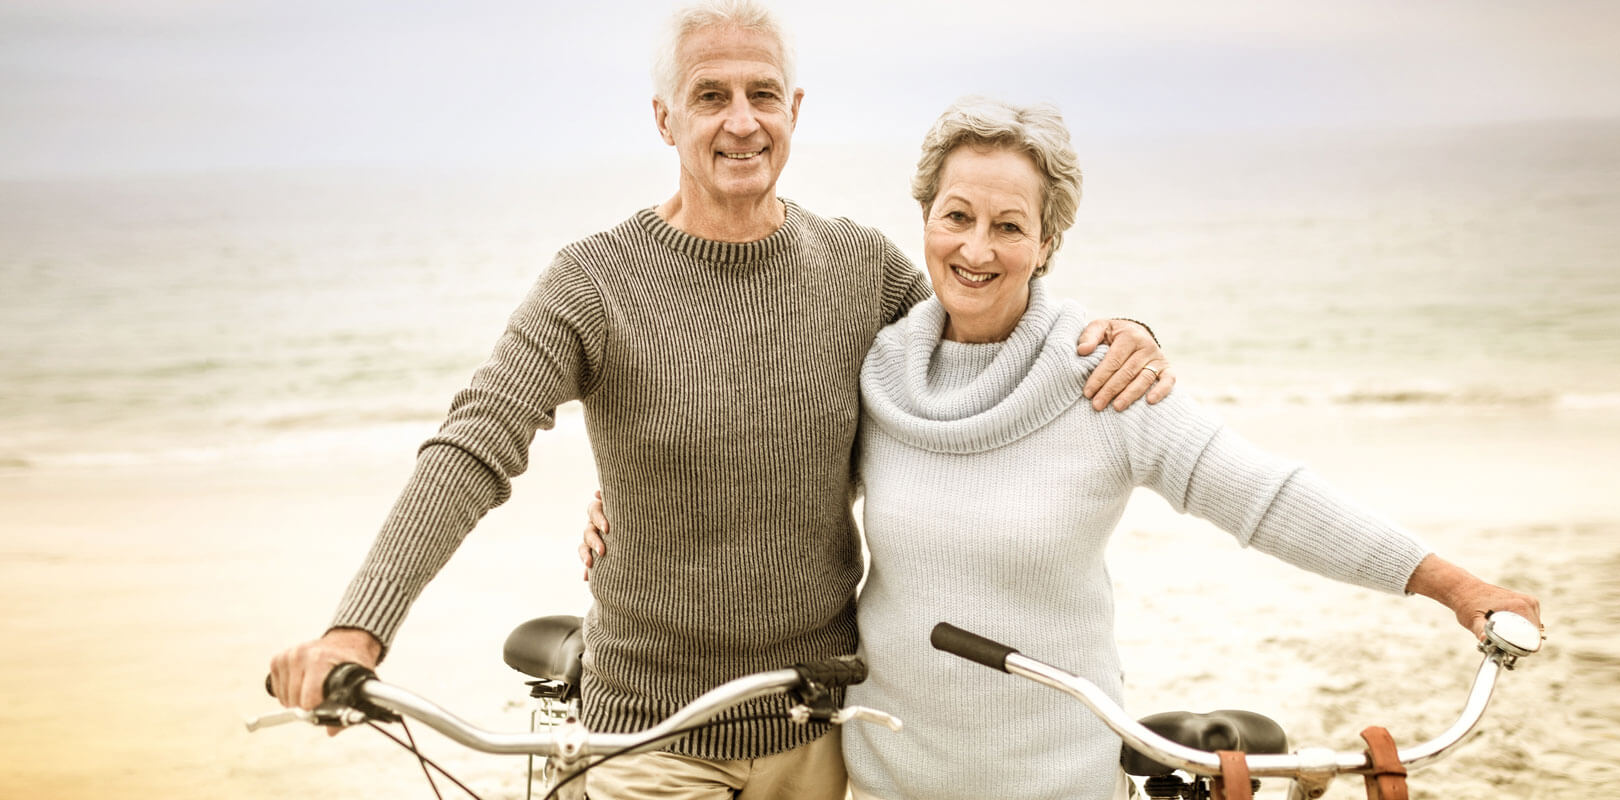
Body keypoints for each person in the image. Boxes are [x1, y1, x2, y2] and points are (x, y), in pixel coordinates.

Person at [266, 2, 1171, 798]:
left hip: (815, 728)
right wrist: (359, 631)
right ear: (665, 118)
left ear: (794, 111)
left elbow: (990, 324)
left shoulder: (859, 272)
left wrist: (1121, 333)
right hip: (648, 736)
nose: (741, 121)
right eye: (710, 96)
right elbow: (475, 445)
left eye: (762, 94)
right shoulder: (593, 283)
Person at [579, 96, 1542, 798]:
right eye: (957, 216)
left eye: (1010, 225)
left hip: (1056, 784)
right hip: (881, 778)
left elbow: (1264, 495)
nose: (977, 248)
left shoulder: (1105, 382)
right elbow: (751, 433)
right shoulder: (879, 369)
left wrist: (1455, 586)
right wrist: (625, 492)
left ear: (1048, 245)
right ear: (925, 220)